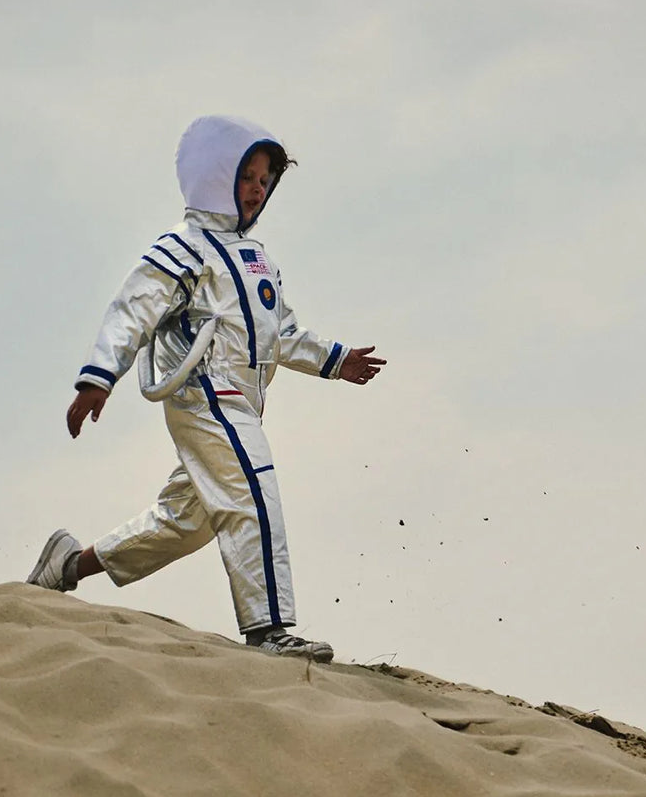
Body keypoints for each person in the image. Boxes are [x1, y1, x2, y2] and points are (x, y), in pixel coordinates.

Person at [26, 115, 384, 663]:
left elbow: (281, 334)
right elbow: (134, 309)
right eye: (246, 176)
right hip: (205, 394)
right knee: (253, 491)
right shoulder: (183, 247)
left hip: (242, 403)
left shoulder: (257, 258)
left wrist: (336, 360)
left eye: (265, 180)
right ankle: (268, 629)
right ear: (214, 174)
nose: (257, 189)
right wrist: (99, 376)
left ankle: (69, 564)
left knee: (186, 521)